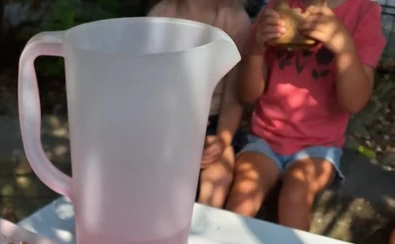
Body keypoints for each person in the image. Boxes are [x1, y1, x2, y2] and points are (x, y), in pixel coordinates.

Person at [226, 0, 385, 231]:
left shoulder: (364, 12)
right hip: (265, 138)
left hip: (319, 146)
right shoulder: (277, 7)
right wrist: (256, 51)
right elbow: (248, 94)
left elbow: (354, 102)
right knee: (244, 192)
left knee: (295, 195)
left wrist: (344, 48)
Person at [148, 0, 251, 208]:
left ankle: (199, 233)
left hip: (212, 122)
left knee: (218, 176)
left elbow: (233, 97)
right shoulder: (161, 15)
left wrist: (223, 138)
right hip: (167, 120)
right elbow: (149, 84)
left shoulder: (234, 19)